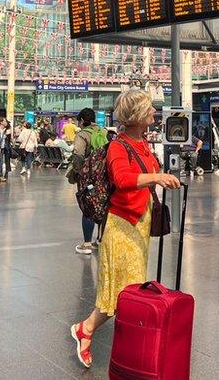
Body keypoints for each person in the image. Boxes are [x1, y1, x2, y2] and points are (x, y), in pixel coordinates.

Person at [70, 89, 180, 368]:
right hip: (122, 227)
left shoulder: (143, 144)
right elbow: (122, 178)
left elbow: (146, 176)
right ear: (138, 116)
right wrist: (156, 176)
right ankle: (87, 329)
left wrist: (159, 176)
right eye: (150, 109)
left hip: (139, 225)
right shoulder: (118, 146)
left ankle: (117, 342)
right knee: (121, 291)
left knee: (128, 290)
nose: (154, 113)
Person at [67, 108, 108, 255]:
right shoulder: (103, 132)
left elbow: (78, 155)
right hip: (103, 175)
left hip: (89, 176)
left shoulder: (82, 134)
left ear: (82, 121)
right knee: (103, 205)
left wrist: (77, 172)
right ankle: (100, 239)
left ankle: (86, 243)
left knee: (88, 206)